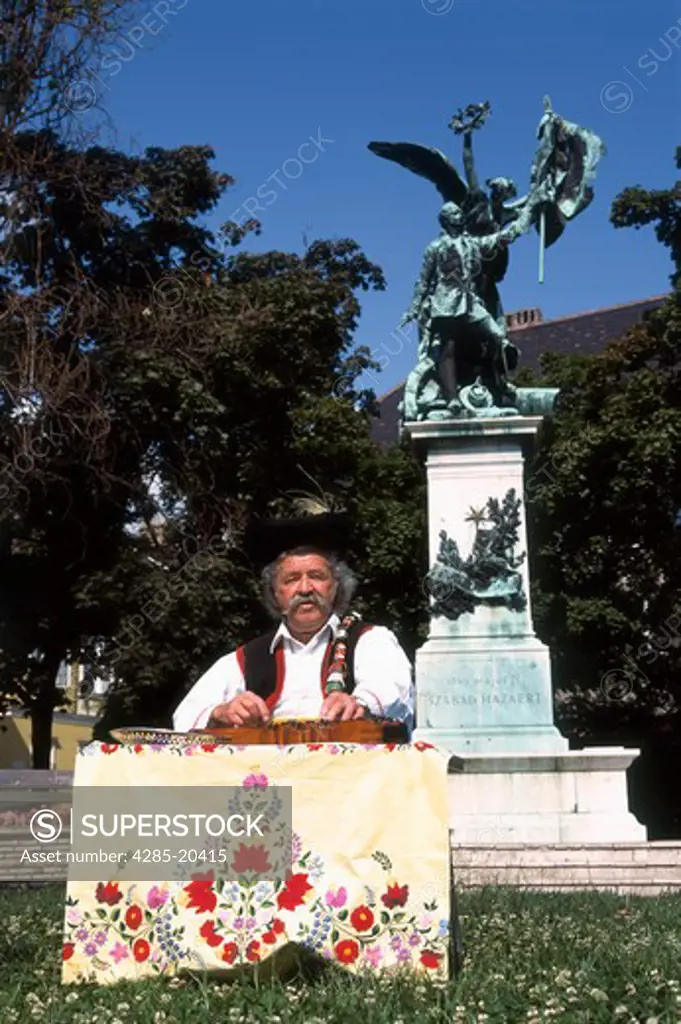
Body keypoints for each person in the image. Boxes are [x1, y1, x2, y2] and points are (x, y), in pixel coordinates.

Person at [172, 508, 414, 732]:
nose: (305, 588)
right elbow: (185, 715)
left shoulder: (370, 640)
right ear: (276, 594)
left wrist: (359, 703)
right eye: (291, 579)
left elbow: (393, 690)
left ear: (336, 587)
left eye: (317, 576)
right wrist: (220, 713)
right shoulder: (247, 658)